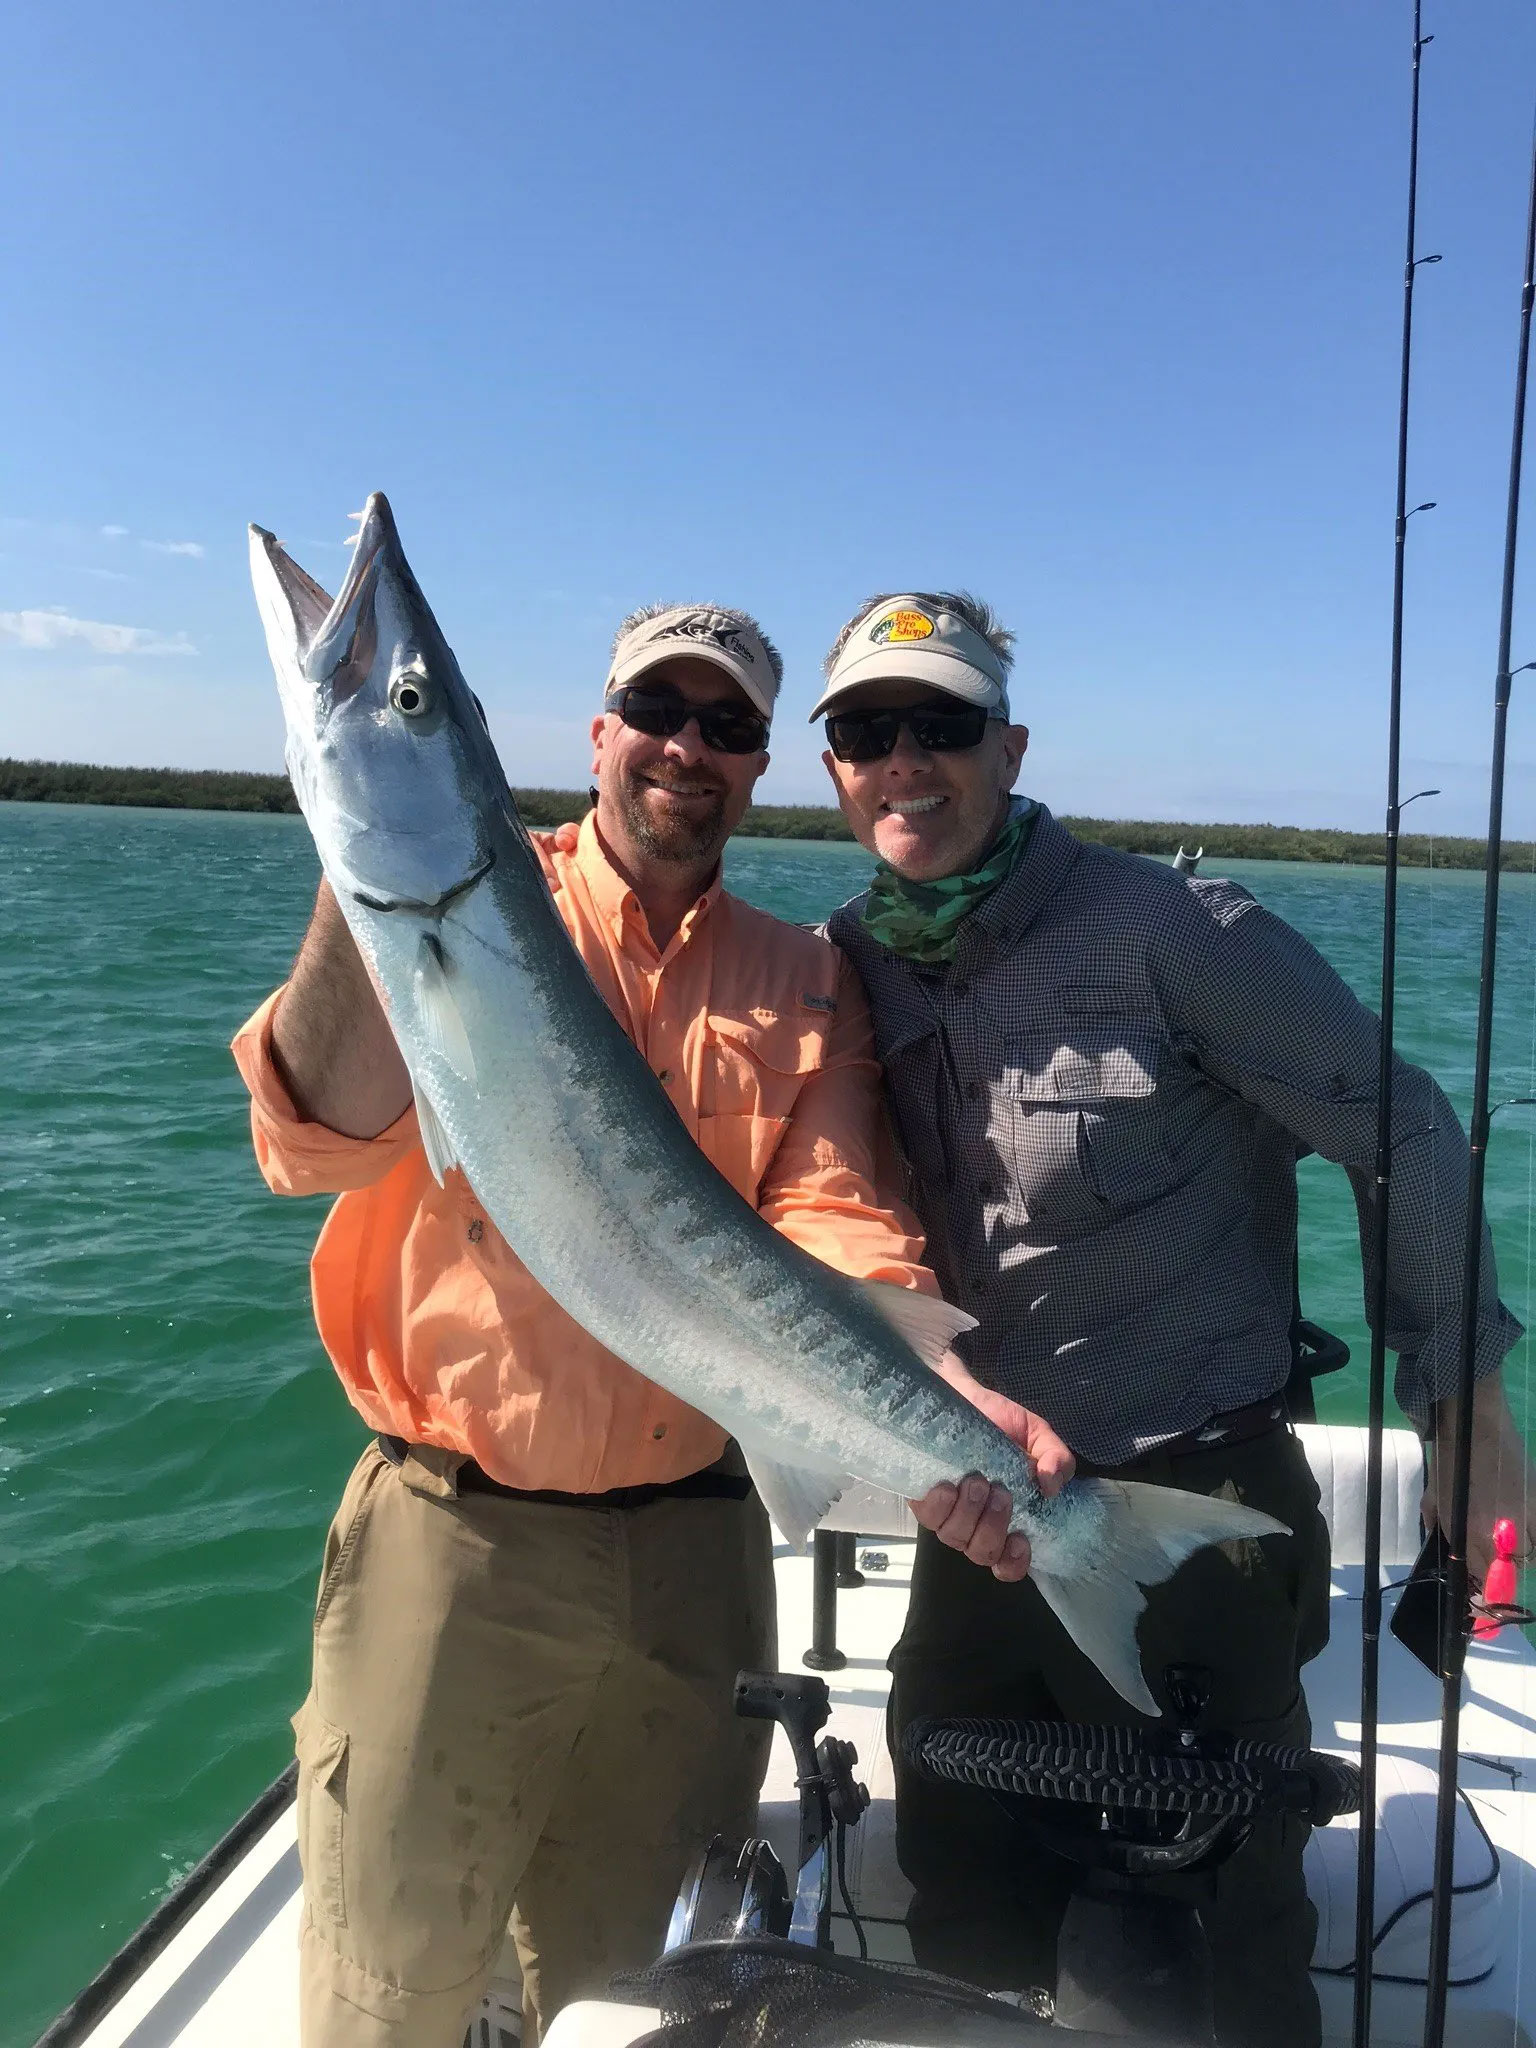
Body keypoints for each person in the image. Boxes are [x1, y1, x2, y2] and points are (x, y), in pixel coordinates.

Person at [233, 600, 1067, 2048]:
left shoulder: (803, 975)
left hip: (703, 1553)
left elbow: (838, 1215)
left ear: (757, 768)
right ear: (599, 730)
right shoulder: (481, 904)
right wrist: (360, 861)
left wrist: (942, 1412)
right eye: (661, 712)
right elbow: (310, 1135)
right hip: (460, 1544)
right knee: (392, 1983)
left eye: (730, 726)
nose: (689, 746)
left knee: (646, 1988)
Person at [812, 590, 1536, 2048]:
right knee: (959, 1893)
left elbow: (1402, 1127)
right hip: (976, 1510)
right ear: (831, 765)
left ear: (1009, 748)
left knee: (1219, 1929)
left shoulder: (1175, 932)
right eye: (866, 730)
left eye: (942, 725)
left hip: (1186, 1501)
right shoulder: (845, 960)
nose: (906, 760)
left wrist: (1463, 1411)